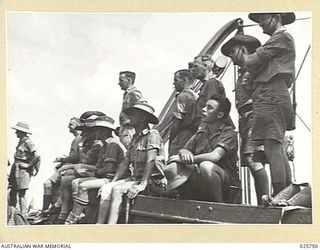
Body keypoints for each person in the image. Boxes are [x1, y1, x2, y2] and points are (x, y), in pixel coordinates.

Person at [243, 12, 295, 195]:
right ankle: (287, 193)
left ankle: (280, 194)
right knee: (276, 144)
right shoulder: (280, 40)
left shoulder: (280, 37)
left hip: (271, 94)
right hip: (274, 94)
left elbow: (250, 62)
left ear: (276, 17)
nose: (261, 24)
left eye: (263, 19)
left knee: (272, 145)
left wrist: (246, 58)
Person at [97, 102, 165, 224]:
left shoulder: (152, 135)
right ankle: (99, 225)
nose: (130, 118)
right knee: (107, 188)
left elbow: (151, 160)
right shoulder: (135, 138)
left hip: (151, 180)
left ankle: (110, 227)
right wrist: (113, 181)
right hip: (136, 178)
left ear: (143, 118)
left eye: (134, 115)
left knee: (117, 190)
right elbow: (125, 163)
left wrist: (143, 184)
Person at [221, 34, 269, 205]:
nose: (231, 56)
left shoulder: (255, 69)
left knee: (253, 158)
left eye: (233, 52)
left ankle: (265, 200)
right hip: (245, 119)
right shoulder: (243, 72)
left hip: (254, 116)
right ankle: (262, 201)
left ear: (243, 50)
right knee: (252, 160)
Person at [165, 95, 240, 203]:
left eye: (209, 108)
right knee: (173, 166)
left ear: (220, 115)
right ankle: (189, 204)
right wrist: (184, 152)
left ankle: (219, 205)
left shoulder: (229, 134)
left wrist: (187, 159)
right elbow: (183, 149)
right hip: (204, 182)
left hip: (227, 186)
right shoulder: (201, 133)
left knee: (206, 166)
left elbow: (214, 156)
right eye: (205, 106)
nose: (203, 109)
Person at [64, 115, 126, 224]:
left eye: (97, 129)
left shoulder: (112, 144)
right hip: (105, 176)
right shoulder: (105, 144)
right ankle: (79, 216)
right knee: (75, 181)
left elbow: (109, 169)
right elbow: (100, 166)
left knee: (83, 186)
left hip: (111, 179)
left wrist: (94, 172)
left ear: (103, 131)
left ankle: (73, 219)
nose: (95, 132)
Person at [57, 113, 105, 223]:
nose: (83, 133)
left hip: (97, 173)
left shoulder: (98, 144)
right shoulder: (87, 143)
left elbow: (86, 161)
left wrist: (73, 163)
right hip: (93, 170)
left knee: (74, 181)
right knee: (65, 178)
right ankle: (64, 213)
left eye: (86, 131)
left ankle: (77, 213)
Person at [8, 122, 40, 218]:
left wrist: (29, 165)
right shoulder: (21, 141)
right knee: (13, 192)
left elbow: (37, 156)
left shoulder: (28, 142)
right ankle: (13, 215)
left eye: (17, 131)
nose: (16, 133)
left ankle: (22, 216)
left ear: (22, 132)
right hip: (16, 168)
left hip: (22, 170)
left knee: (21, 194)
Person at [168, 69, 198, 156]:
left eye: (176, 80)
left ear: (185, 80)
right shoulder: (195, 95)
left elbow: (176, 122)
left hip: (181, 136)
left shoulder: (182, 96)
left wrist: (171, 141)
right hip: (192, 136)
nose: (174, 83)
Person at [118, 71, 146, 148]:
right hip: (125, 128)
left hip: (130, 129)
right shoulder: (127, 94)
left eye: (121, 80)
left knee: (130, 150)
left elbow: (144, 108)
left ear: (129, 80)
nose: (119, 83)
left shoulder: (133, 93)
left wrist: (131, 121)